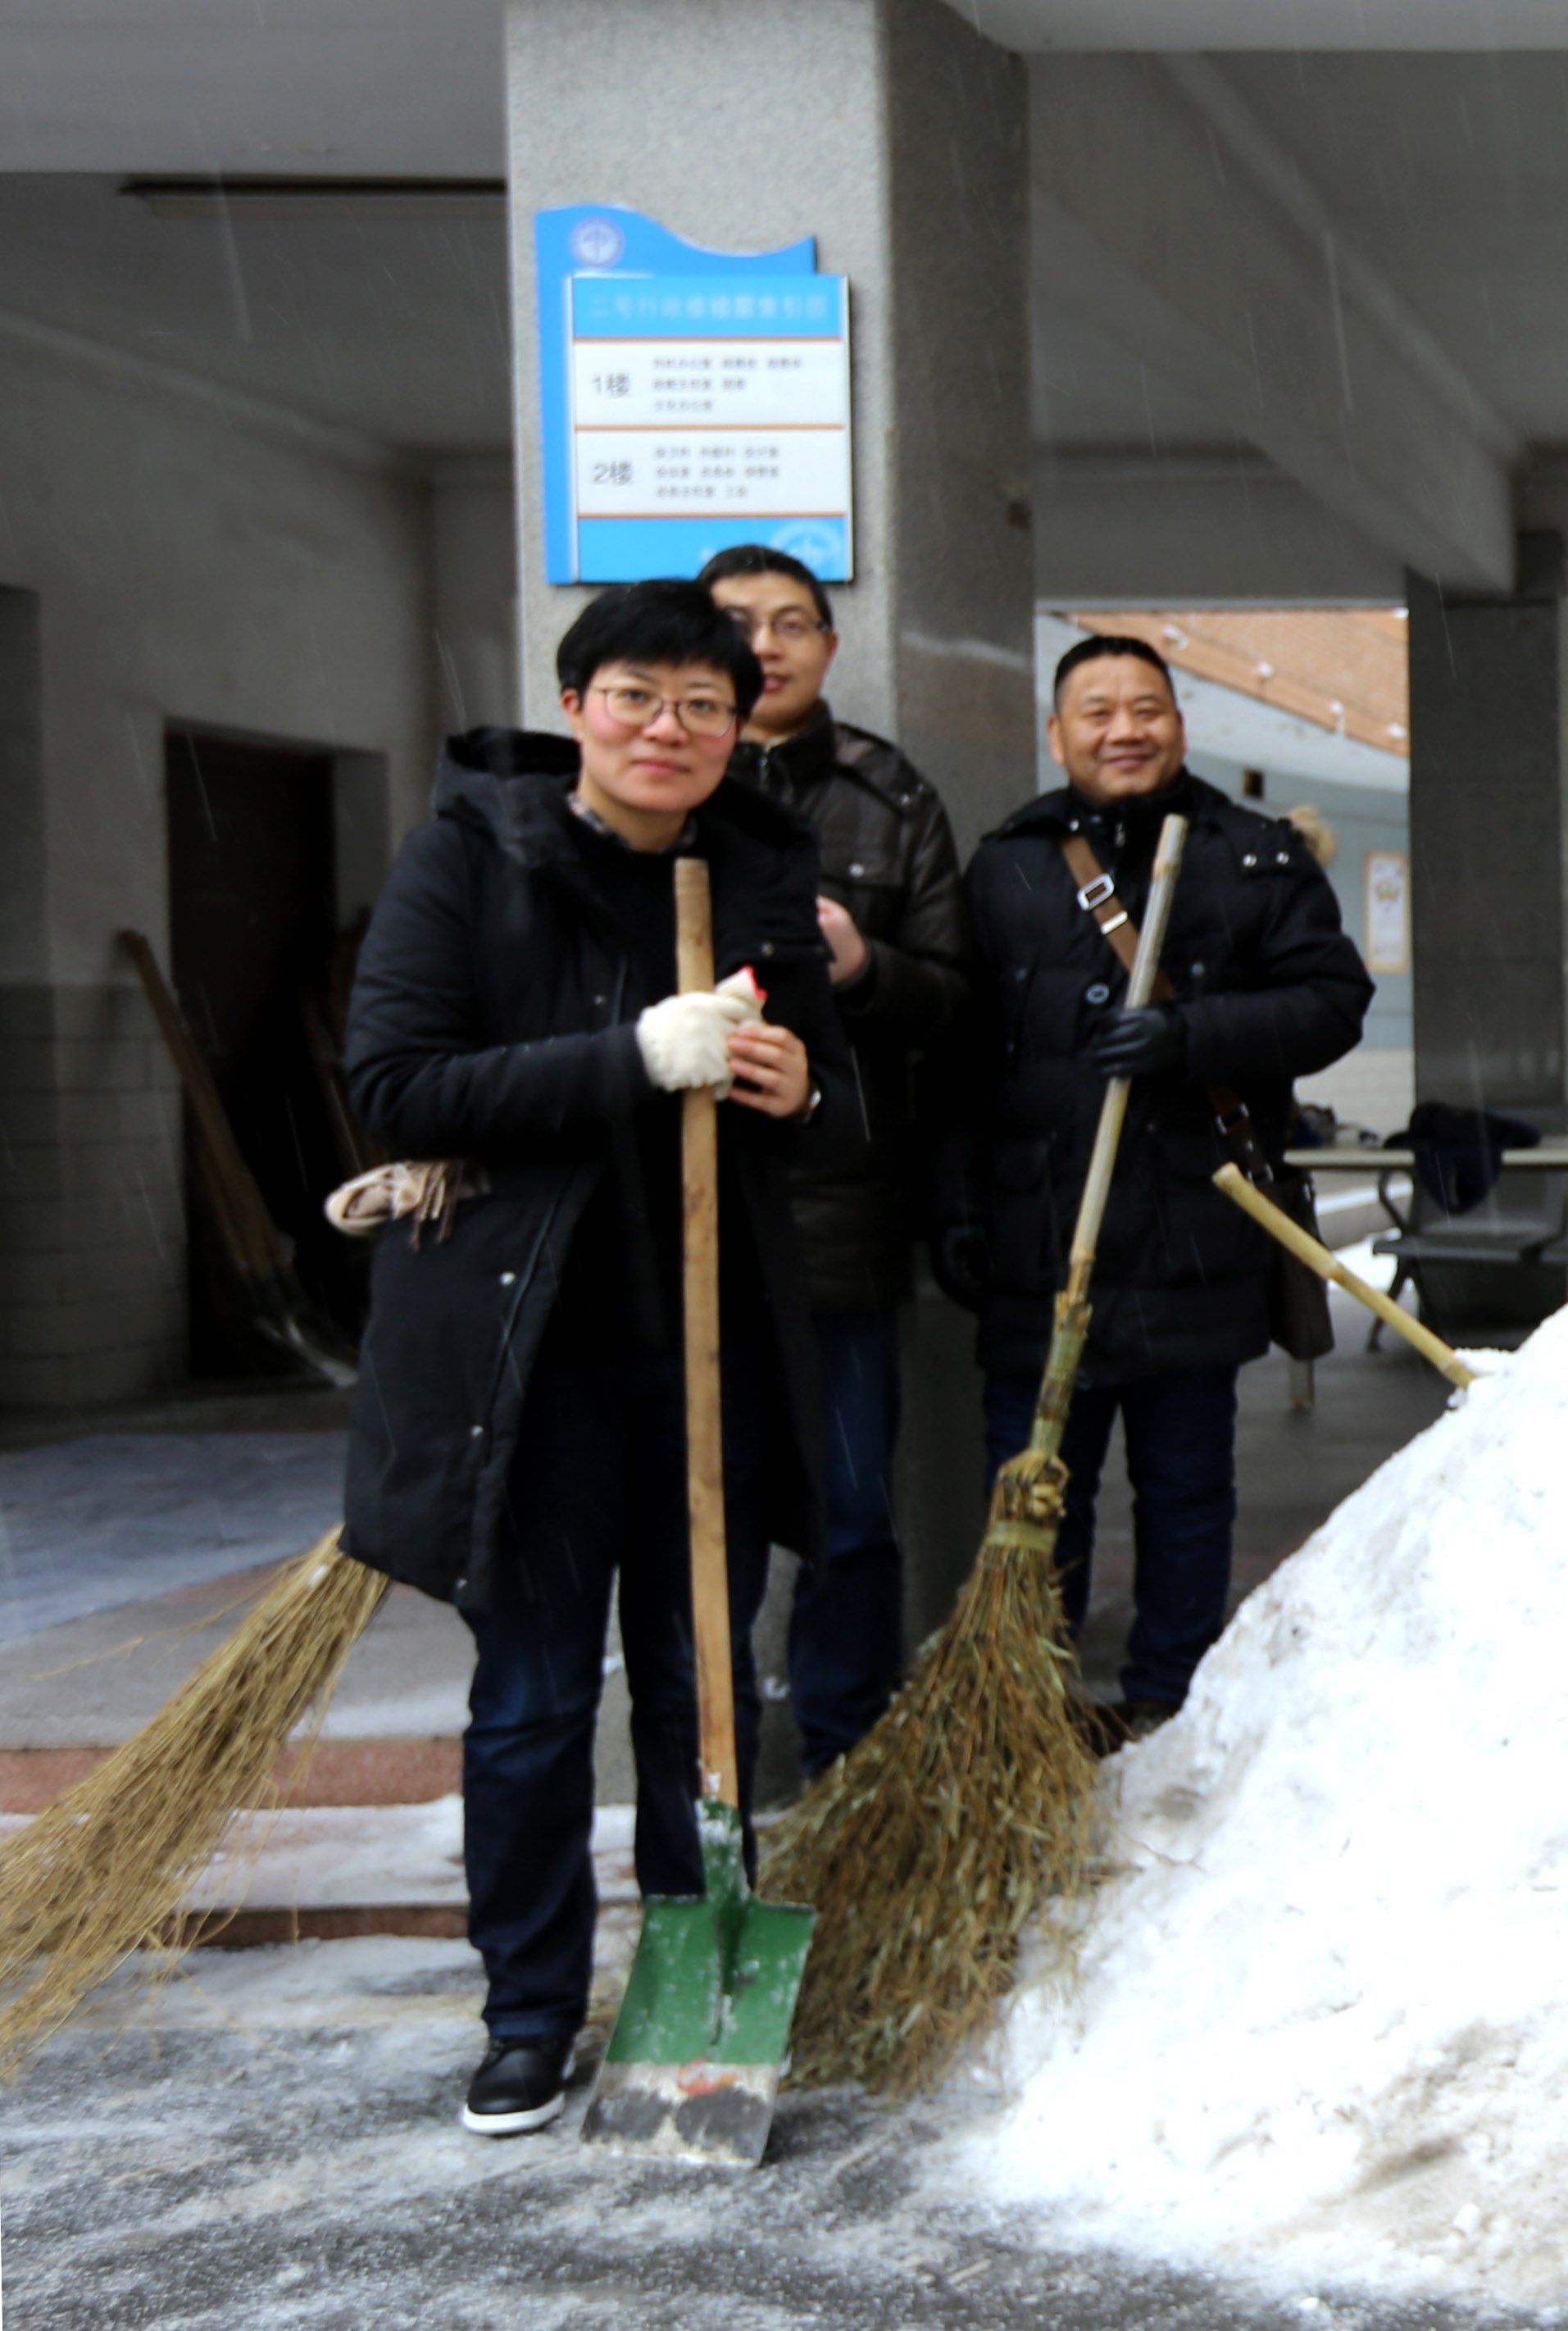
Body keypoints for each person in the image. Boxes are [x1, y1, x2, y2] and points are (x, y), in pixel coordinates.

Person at [341, 578, 849, 2135]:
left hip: (708, 1355)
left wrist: (801, 1092)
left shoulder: (758, 873)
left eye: (704, 706)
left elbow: (831, 1099)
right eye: (636, 696)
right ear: (575, 706)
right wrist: (624, 1058)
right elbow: (396, 1088)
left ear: (738, 727)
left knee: (703, 1692)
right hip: (531, 1368)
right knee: (536, 1697)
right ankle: (529, 2012)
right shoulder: (466, 862)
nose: (667, 730)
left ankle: (690, 2001)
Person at [941, 634, 1370, 1733]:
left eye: (1147, 708)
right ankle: (1034, 1713)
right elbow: (954, 1057)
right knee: (1035, 1494)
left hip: (1193, 1233)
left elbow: (1331, 1004)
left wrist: (1192, 1034)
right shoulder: (1009, 866)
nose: (1123, 729)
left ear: (1179, 724)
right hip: (1043, 1242)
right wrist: (956, 1207)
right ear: (1057, 734)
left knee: (1186, 1490)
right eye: (1097, 711)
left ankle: (1170, 1696)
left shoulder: (1255, 857)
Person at [698, 545, 970, 1777]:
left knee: (853, 1515)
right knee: (706, 1524)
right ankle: (708, 1779)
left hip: (845, 1218)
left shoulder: (889, 794)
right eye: (737, 623)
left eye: (791, 623)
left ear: (829, 645)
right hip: (684, 1221)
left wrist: (866, 970)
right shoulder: (662, 778)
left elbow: (955, 1002)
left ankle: (845, 1766)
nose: (766, 645)